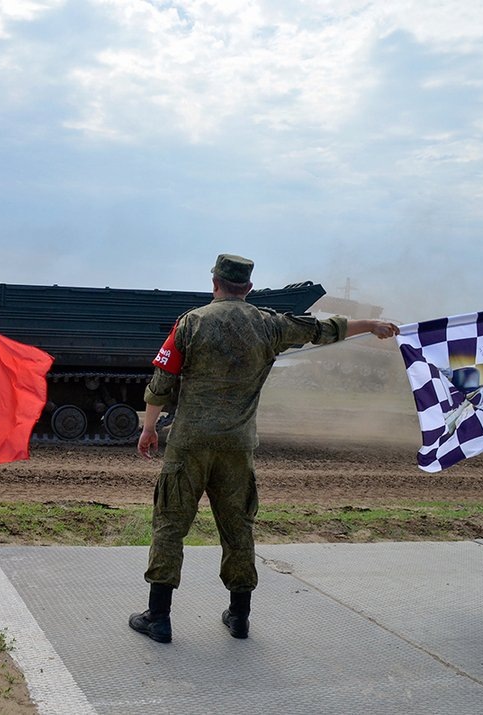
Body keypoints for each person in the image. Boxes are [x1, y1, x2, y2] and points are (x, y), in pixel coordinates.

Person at [128, 254, 400, 644]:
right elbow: (324, 329)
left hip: (189, 444)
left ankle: (159, 617)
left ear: (215, 284)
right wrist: (370, 325)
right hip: (237, 447)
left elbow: (163, 378)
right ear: (249, 289)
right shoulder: (269, 324)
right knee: (239, 528)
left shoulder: (191, 322)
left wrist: (149, 427)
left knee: (170, 526)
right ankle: (239, 617)